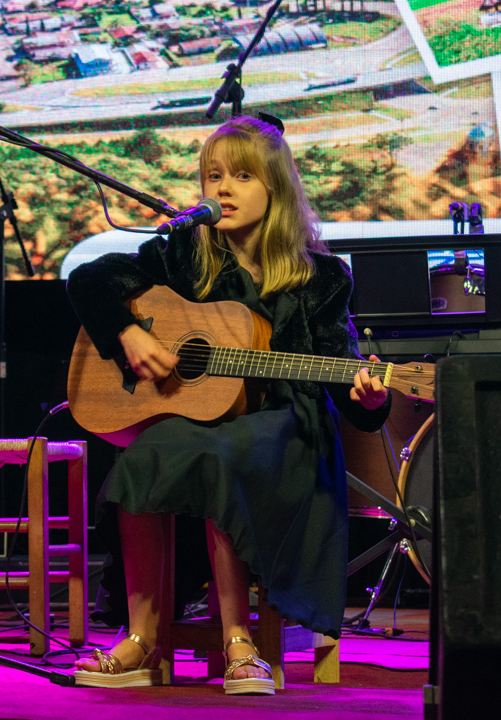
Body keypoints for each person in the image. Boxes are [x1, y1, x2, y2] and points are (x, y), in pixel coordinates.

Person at [66, 115, 391, 694]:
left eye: (241, 176)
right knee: (146, 455)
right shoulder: (185, 255)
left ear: (276, 187)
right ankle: (140, 639)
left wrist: (369, 398)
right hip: (202, 422)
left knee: (223, 454)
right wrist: (129, 333)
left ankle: (238, 640)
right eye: (213, 175)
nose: (222, 189)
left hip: (287, 427)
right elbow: (88, 278)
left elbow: (343, 382)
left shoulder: (321, 277)